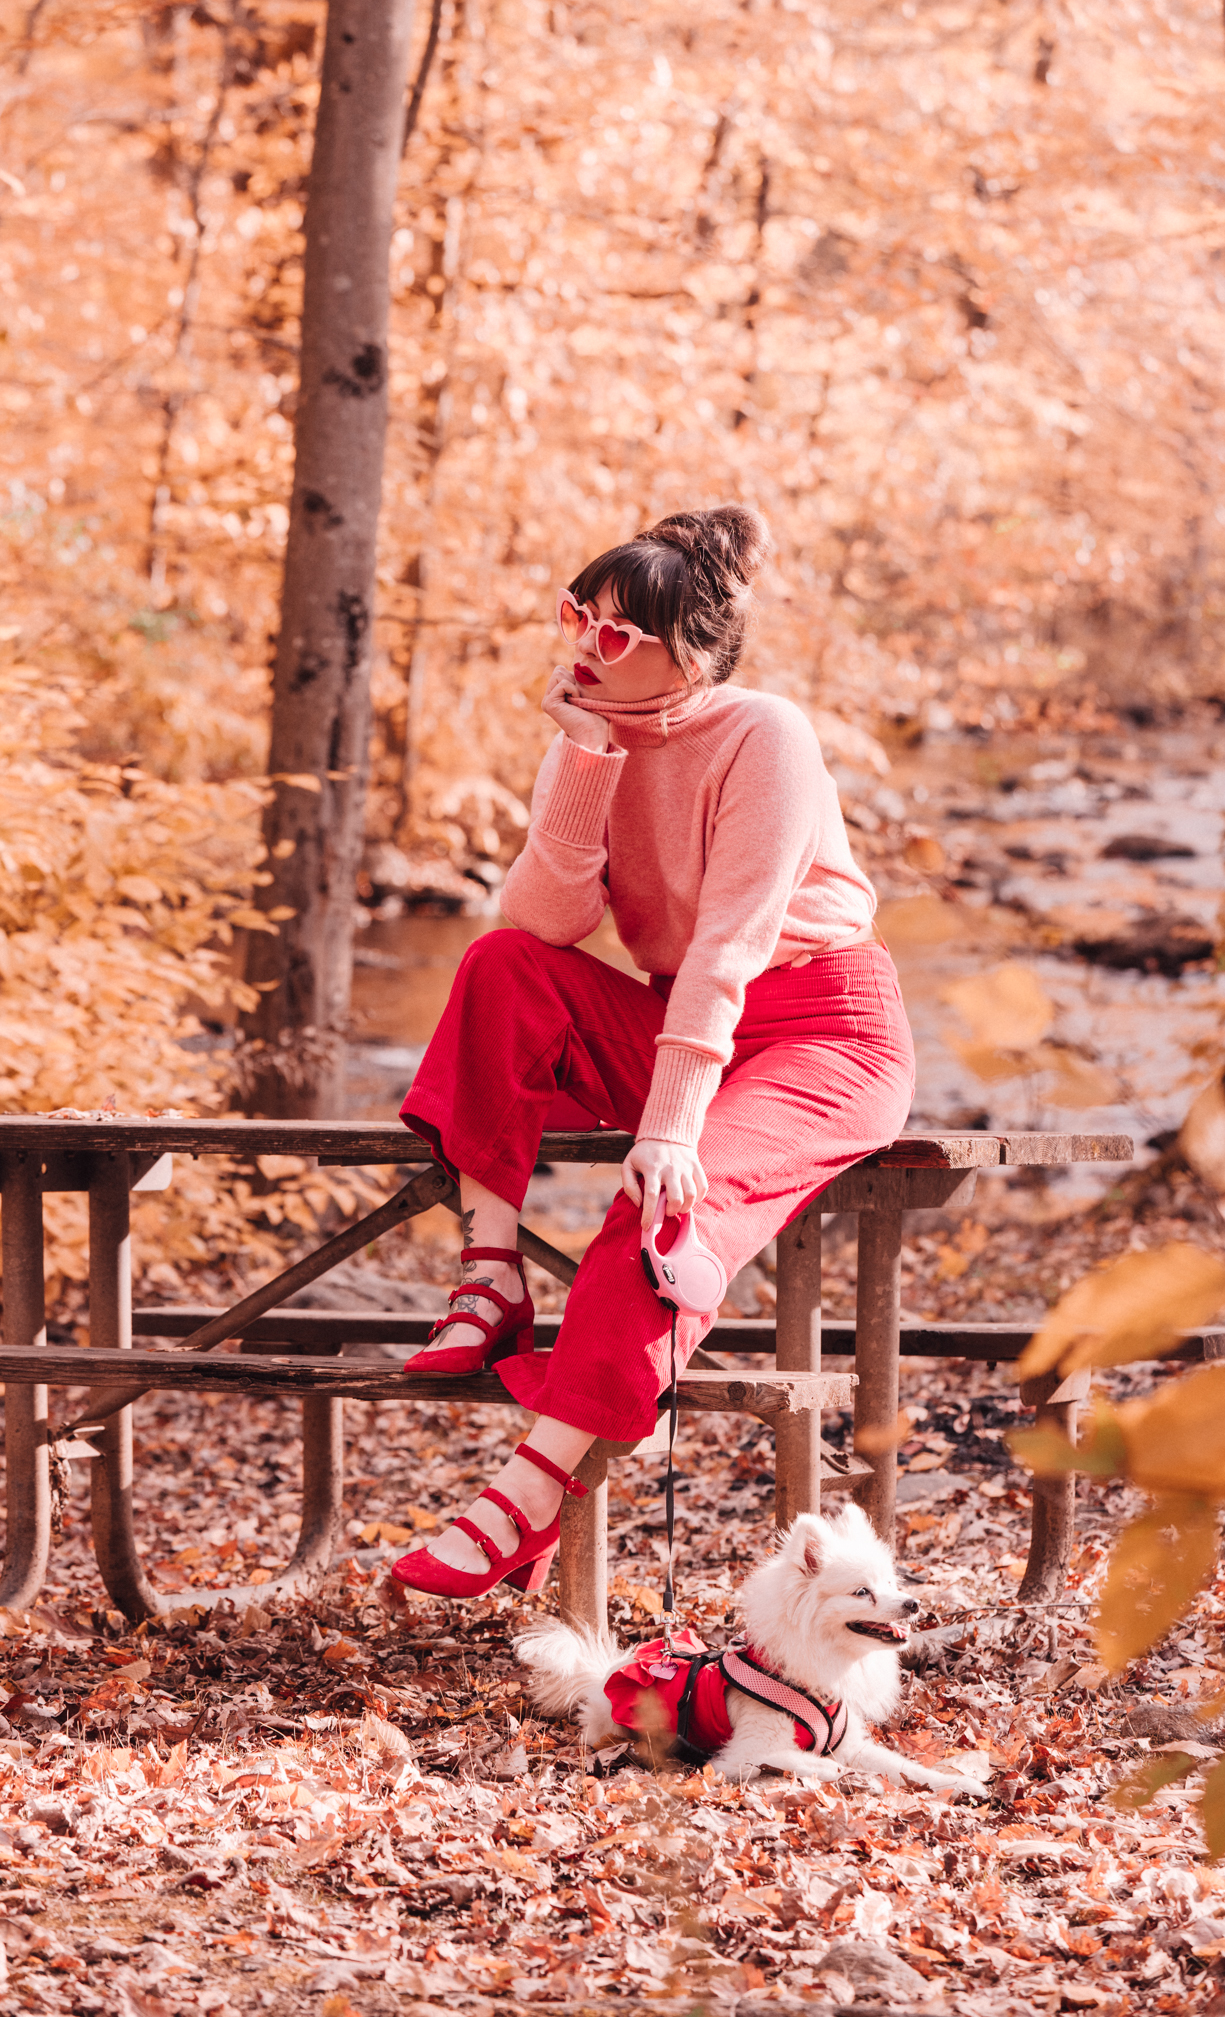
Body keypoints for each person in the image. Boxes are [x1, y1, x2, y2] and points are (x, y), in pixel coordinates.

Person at [391, 505, 915, 1601]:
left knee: (667, 1205)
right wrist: (584, 759)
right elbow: (537, 924)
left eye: (617, 633)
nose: (584, 643)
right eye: (578, 614)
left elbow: (732, 937)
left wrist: (669, 1123)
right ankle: (490, 1276)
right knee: (497, 967)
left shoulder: (764, 734)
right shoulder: (587, 742)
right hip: (693, 1024)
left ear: (692, 652)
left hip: (822, 1033)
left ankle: (526, 1495)